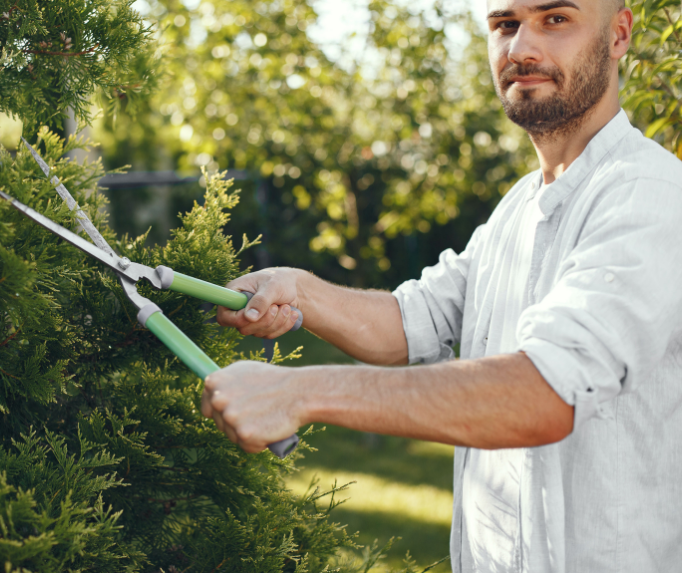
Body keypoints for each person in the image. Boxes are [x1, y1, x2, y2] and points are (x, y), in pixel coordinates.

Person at [204, 0, 682, 571]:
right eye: (505, 24)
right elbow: (414, 320)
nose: (522, 48)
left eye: (556, 19)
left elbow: (545, 395)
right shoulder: (518, 208)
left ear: (618, 34)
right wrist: (299, 288)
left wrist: (299, 393)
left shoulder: (649, 197)